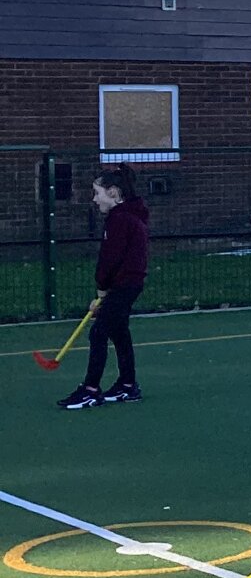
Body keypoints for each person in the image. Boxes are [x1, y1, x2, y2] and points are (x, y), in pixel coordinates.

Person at [60, 165, 151, 411]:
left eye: (97, 192)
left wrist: (102, 290)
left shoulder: (120, 219)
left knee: (98, 332)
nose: (94, 198)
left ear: (113, 192)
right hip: (128, 283)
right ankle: (128, 385)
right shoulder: (128, 216)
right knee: (119, 331)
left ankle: (90, 390)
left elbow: (109, 259)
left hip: (124, 285)